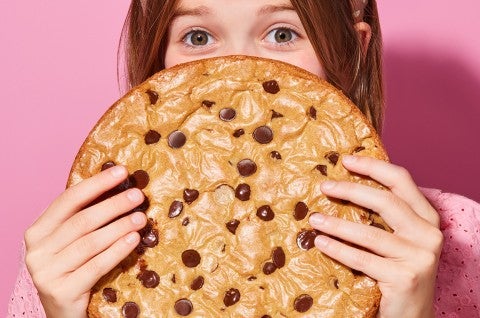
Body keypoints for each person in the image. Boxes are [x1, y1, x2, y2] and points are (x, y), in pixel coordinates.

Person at [8, 0, 480, 317]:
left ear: (351, 54)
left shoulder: (461, 237)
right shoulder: (73, 254)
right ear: (158, 68)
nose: (235, 70)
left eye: (281, 32)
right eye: (197, 37)